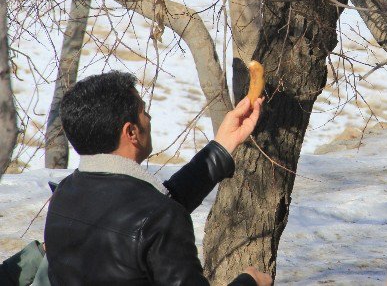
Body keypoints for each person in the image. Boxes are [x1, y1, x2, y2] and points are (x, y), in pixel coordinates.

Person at [44, 71, 272, 286]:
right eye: (144, 111)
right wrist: (250, 281)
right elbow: (153, 218)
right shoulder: (159, 216)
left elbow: (148, 214)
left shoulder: (63, 196)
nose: (149, 118)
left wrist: (222, 146)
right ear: (131, 132)